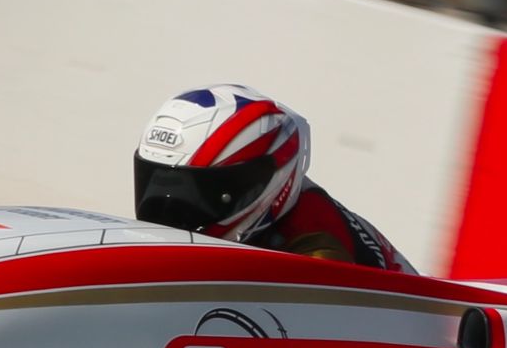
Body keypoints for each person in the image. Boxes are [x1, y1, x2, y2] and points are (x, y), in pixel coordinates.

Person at [131, 84, 415, 273]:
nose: (169, 209)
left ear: (258, 183)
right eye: (156, 184)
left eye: (197, 194)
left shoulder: (317, 248)